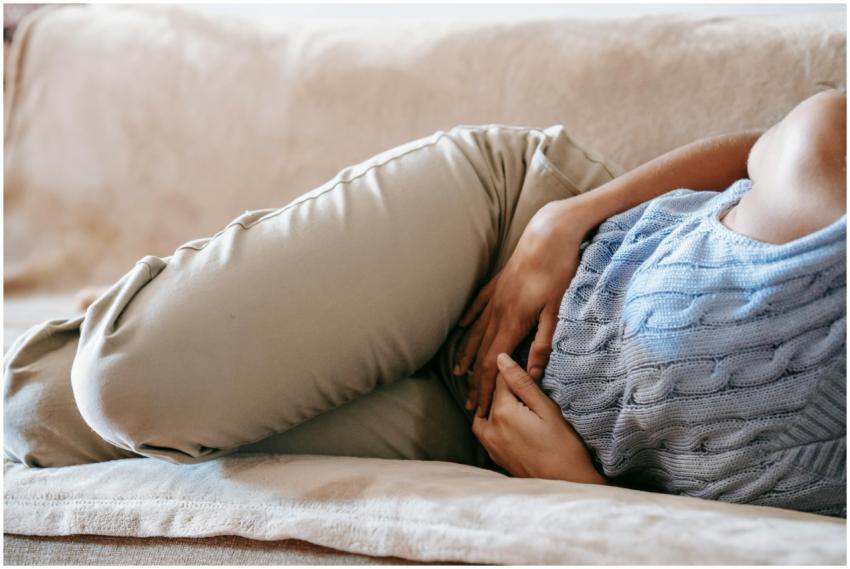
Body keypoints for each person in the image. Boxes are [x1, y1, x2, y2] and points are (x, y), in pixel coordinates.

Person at [4, 88, 845, 517]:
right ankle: (174, 303)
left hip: (491, 433)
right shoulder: (830, 166)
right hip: (507, 243)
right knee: (123, 379)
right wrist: (564, 219)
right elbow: (764, 146)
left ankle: (175, 307)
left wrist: (584, 488)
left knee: (34, 412)